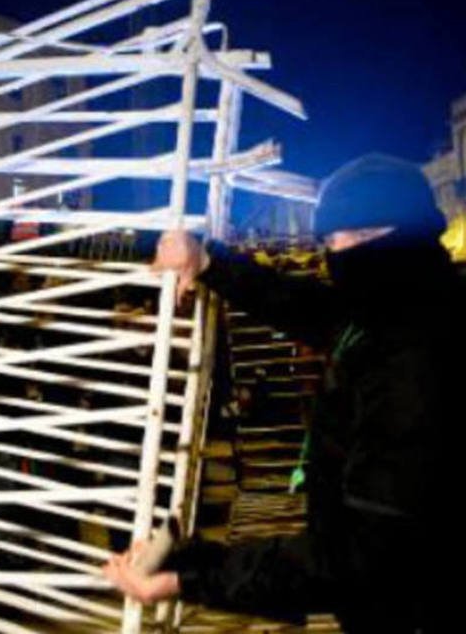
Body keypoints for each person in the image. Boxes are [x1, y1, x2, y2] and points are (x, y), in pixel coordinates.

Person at [103, 154, 462, 632]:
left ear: (401, 233)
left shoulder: (413, 358)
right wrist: (209, 261)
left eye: (354, 236)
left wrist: (191, 575)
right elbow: (308, 307)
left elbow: (360, 554)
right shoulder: (404, 305)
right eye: (331, 240)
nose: (338, 252)